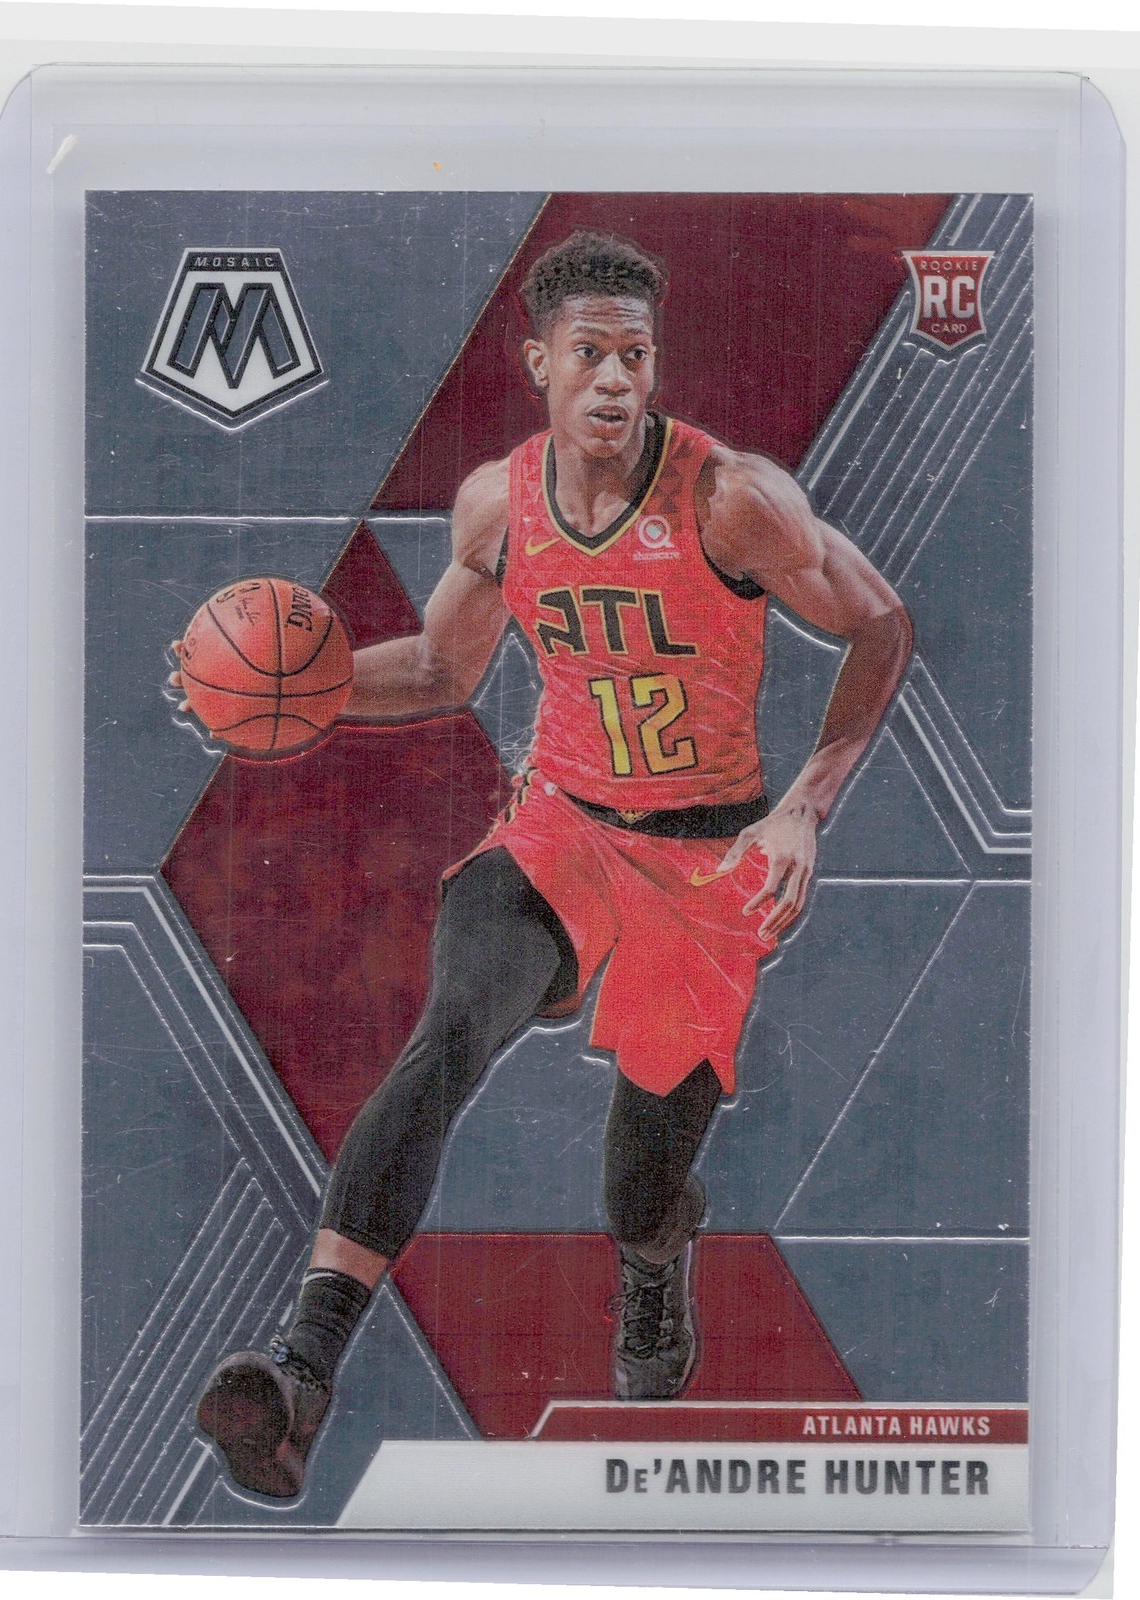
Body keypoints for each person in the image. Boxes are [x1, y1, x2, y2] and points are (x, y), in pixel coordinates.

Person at [192, 230, 912, 1500]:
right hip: (560, 829)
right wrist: (293, 696)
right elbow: (440, 669)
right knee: (450, 1028)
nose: (617, 379)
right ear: (539, 364)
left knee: (638, 1185)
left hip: (705, 863)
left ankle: (654, 1257)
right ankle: (302, 1371)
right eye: (590, 354)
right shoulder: (498, 505)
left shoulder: (732, 499)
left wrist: (803, 807)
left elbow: (881, 623)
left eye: (637, 355)